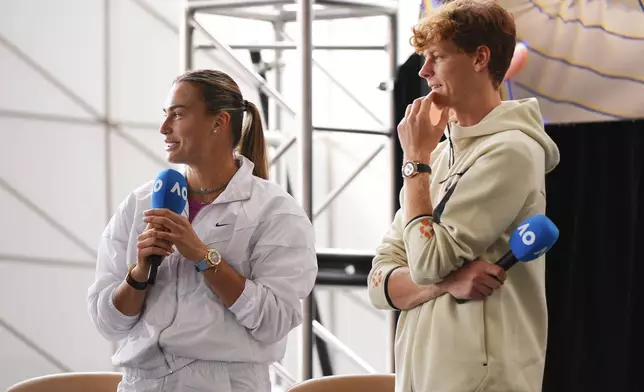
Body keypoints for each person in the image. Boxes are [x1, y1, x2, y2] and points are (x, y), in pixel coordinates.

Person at [367, 1, 560, 391]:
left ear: (480, 59)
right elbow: (378, 280)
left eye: (436, 57)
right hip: (422, 377)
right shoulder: (439, 155)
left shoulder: (512, 150)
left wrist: (415, 161)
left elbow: (425, 263)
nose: (423, 72)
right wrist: (445, 283)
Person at [87, 69, 318, 392]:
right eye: (165, 116)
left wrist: (203, 256)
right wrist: (139, 273)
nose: (164, 128)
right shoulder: (139, 203)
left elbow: (274, 320)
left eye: (178, 115)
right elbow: (107, 321)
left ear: (218, 122)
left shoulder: (275, 210)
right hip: (142, 383)